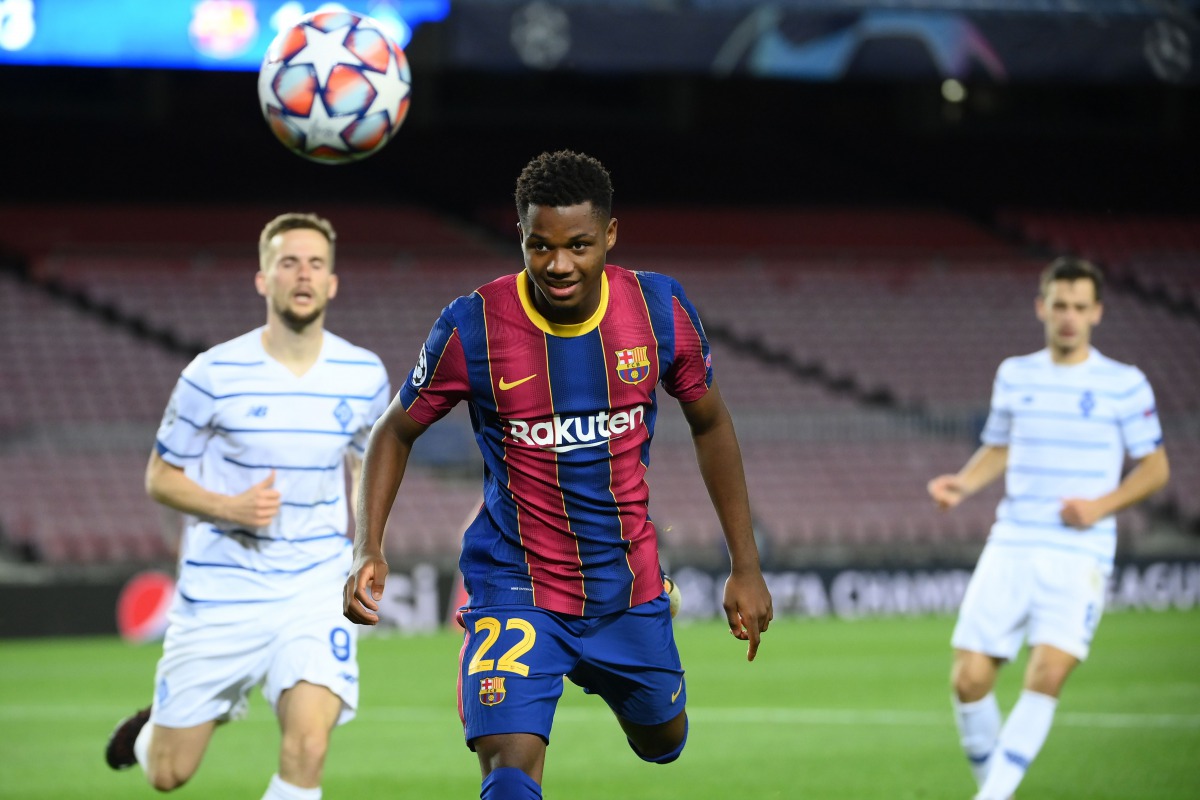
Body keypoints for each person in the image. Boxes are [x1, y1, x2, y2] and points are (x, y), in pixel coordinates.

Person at [343, 149, 774, 799]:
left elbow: (710, 422)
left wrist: (746, 565)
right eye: (539, 245)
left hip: (624, 584)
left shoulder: (658, 309)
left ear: (610, 235)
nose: (559, 264)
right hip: (515, 586)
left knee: (664, 742)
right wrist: (367, 546)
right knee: (508, 769)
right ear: (521, 235)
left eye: (578, 245)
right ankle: (521, 671)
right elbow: (393, 430)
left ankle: (605, 659)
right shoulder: (473, 325)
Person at [105, 212, 390, 800]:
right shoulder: (211, 374)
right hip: (222, 589)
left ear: (332, 282)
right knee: (168, 773)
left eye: (316, 264)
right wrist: (227, 507)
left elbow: (365, 468)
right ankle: (152, 734)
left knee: (308, 746)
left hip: (313, 585)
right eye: (289, 263)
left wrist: (368, 547)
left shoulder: (364, 375)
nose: (303, 274)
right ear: (263, 279)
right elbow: (160, 477)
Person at [927, 257, 1170, 800]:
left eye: (1080, 307)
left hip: (1080, 550)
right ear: (1042, 307)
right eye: (1060, 305)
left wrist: (1101, 505)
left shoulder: (1124, 384)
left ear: (1097, 313)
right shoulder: (1015, 374)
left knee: (1048, 673)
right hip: (1013, 540)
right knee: (968, 680)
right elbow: (1000, 448)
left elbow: (1155, 468)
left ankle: (991, 796)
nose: (1069, 317)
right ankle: (998, 790)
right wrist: (963, 485)